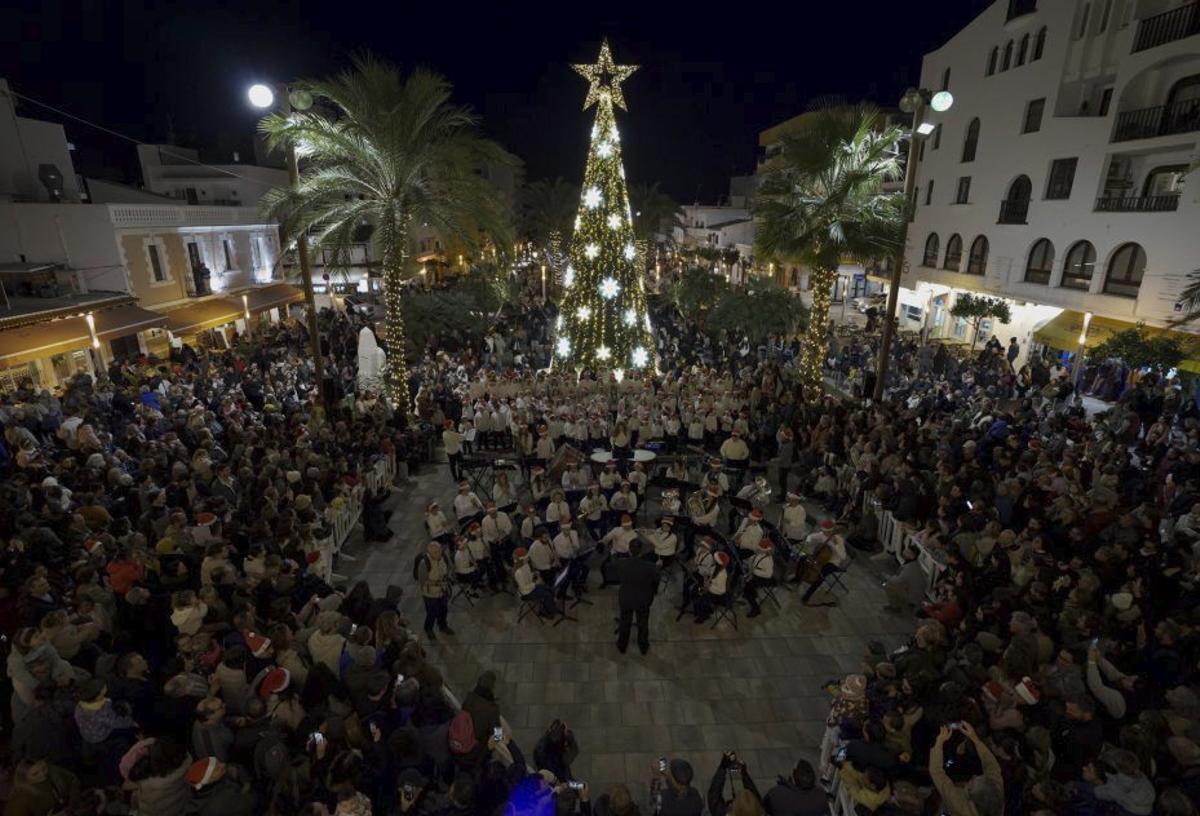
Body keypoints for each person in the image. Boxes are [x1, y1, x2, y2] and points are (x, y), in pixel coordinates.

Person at [615, 541, 658, 655]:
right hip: (643, 599)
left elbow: (619, 578)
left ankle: (622, 645)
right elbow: (655, 582)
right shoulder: (651, 567)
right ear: (641, 552)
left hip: (626, 598)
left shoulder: (621, 564)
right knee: (643, 623)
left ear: (629, 550)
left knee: (624, 622)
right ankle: (643, 646)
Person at [412, 540, 454, 640]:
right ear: (429, 553)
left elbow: (449, 568)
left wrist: (447, 576)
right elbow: (422, 581)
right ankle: (429, 629)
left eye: (439, 550)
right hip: (430, 594)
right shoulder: (424, 563)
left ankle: (443, 626)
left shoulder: (443, 556)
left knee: (444, 609)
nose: (438, 553)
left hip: (442, 590)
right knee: (432, 612)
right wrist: (436, 583)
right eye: (435, 552)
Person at [744, 539, 776, 618]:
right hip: (757, 575)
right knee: (747, 585)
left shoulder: (768, 560)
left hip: (765, 579)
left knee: (747, 589)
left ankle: (756, 609)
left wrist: (755, 571)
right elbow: (755, 562)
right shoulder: (760, 554)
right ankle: (752, 593)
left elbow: (768, 574)